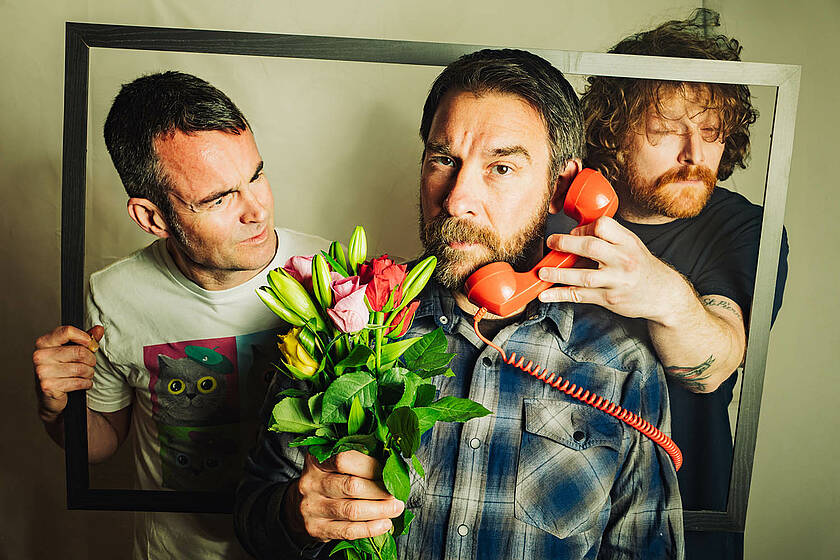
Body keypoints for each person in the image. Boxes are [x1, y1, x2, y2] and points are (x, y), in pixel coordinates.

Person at [235, 49, 684, 559]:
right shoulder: (348, 319)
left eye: (501, 167)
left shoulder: (621, 365)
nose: (455, 199)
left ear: (562, 187)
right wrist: (295, 517)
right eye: (444, 160)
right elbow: (253, 513)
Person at [32, 71, 328, 560]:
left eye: (256, 176)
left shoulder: (333, 275)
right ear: (152, 218)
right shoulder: (113, 295)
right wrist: (57, 409)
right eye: (219, 198)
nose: (256, 210)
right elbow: (102, 442)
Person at [539, 10, 789, 560]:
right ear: (613, 133)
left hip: (688, 515)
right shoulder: (547, 217)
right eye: (666, 130)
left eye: (711, 132)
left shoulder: (746, 229)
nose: (694, 155)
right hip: (552, 513)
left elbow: (716, 362)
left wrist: (662, 294)